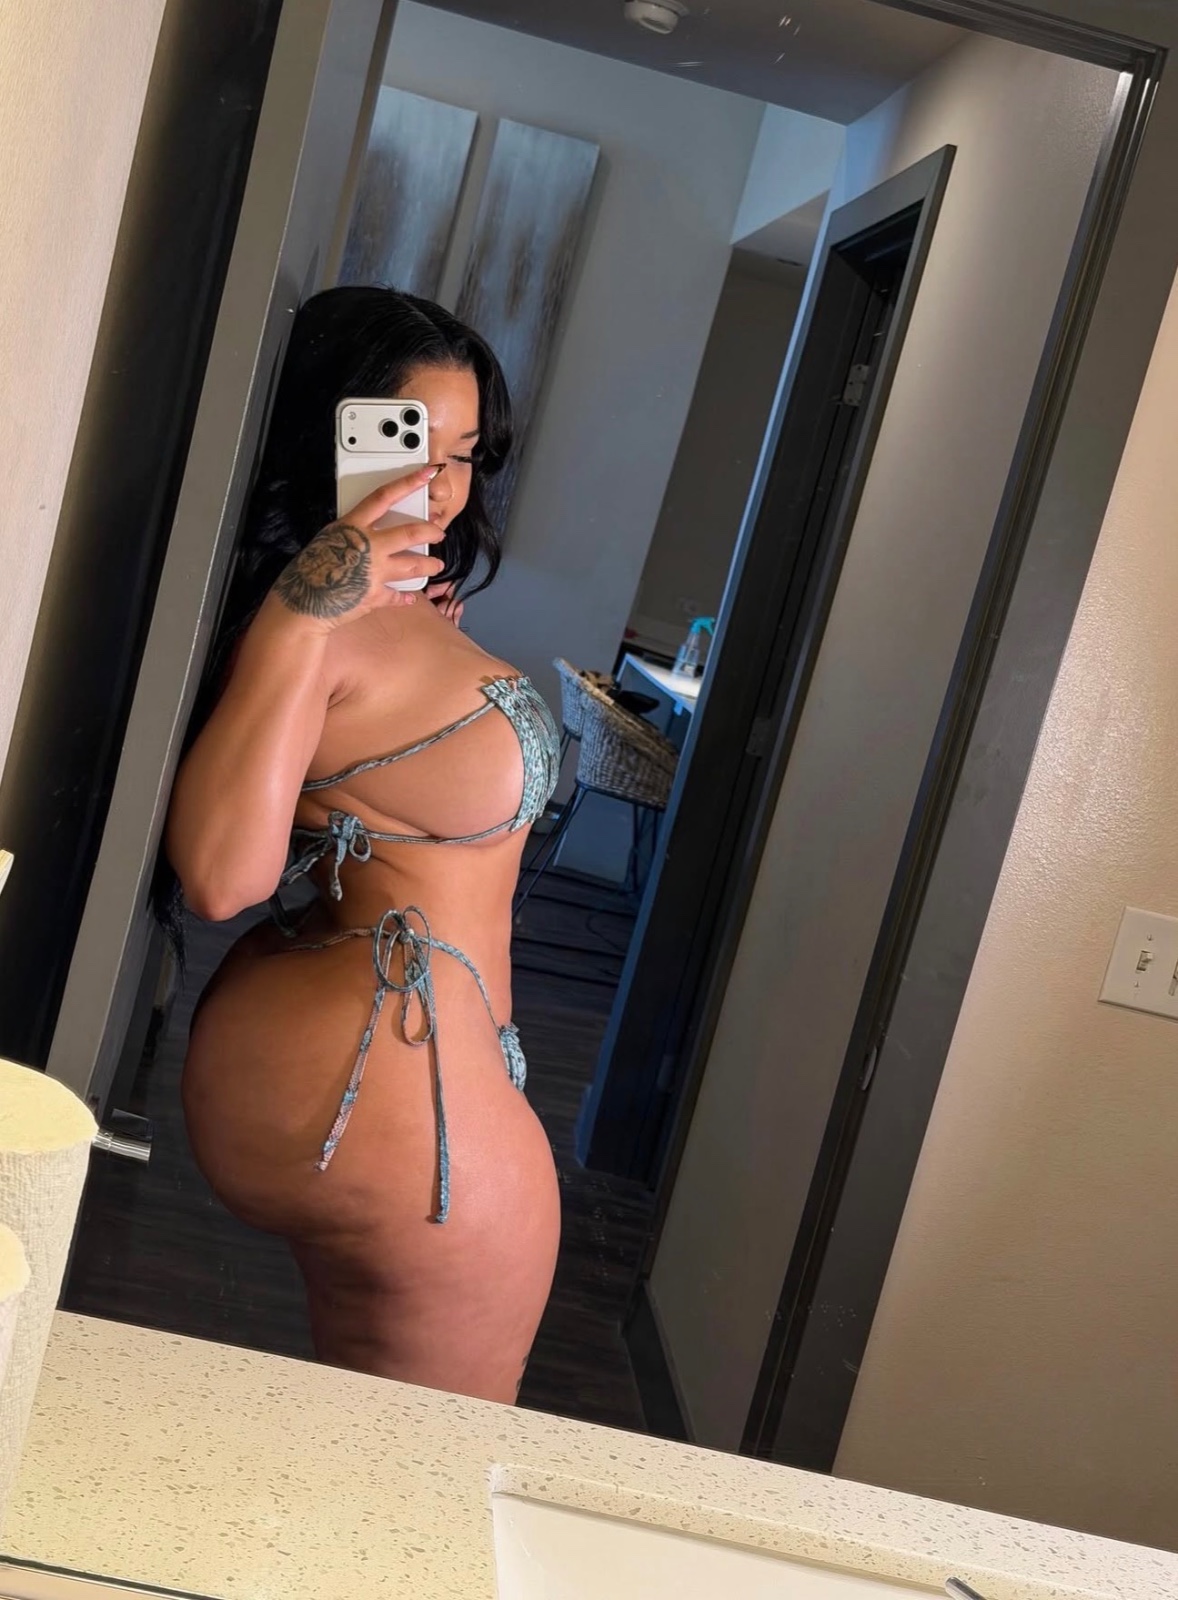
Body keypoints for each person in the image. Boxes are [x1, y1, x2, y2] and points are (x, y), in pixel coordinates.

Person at [161, 287, 562, 1403]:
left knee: (371, 1449)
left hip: (407, 1067)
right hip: (397, 1092)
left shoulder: (383, 605)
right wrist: (307, 611)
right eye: (406, 445)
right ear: (329, 436)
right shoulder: (309, 619)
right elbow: (222, 877)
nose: (440, 487)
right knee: (424, 1461)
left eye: (464, 456)